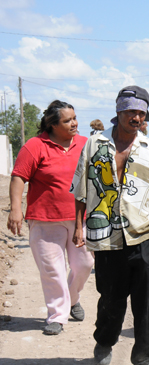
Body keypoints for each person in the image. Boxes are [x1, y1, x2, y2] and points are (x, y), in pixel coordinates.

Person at [71, 85, 149, 365]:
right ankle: (104, 341)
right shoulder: (94, 145)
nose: (136, 117)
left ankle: (147, 357)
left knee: (146, 301)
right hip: (107, 236)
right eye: (131, 111)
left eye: (141, 112)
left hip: (145, 233)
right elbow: (80, 187)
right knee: (111, 299)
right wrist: (79, 225)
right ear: (118, 111)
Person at [7, 100, 94, 336]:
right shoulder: (35, 146)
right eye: (68, 120)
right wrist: (16, 209)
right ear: (53, 125)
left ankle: (72, 298)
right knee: (52, 270)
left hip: (80, 219)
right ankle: (57, 315)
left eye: (75, 118)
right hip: (44, 219)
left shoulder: (86, 144)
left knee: (84, 264)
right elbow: (18, 177)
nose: (74, 123)